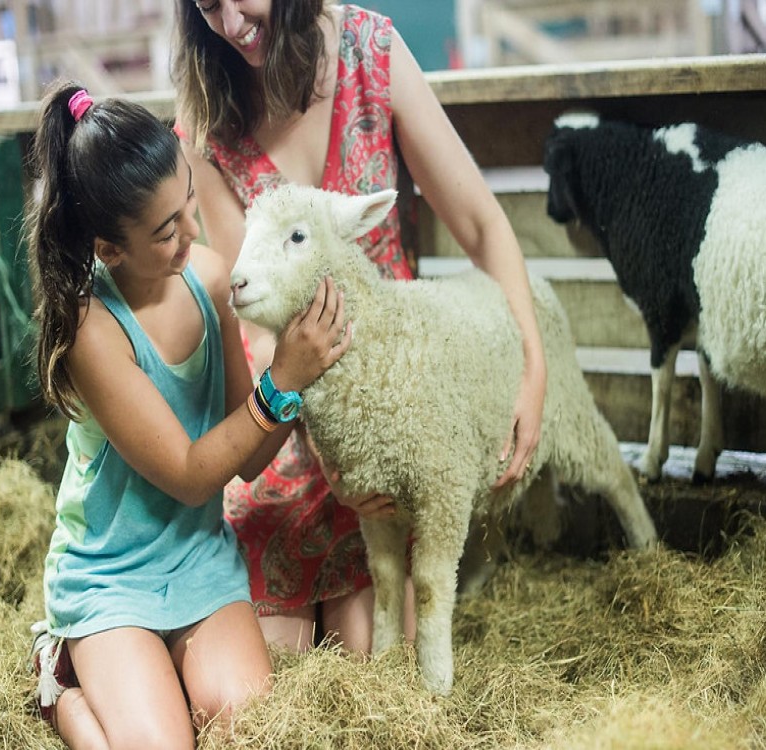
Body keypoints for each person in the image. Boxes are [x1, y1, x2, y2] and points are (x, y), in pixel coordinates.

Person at [172, 0, 548, 653]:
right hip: (292, 414)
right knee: (277, 661)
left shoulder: (370, 49)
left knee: (371, 651)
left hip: (397, 405)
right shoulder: (206, 115)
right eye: (207, 6)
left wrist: (533, 365)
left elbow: (482, 225)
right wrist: (329, 452)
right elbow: (257, 320)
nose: (230, 24)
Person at [26, 80, 352, 748]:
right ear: (108, 249)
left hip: (199, 561)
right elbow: (190, 473)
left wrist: (299, 381)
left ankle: (149, 683)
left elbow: (244, 450)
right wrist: (280, 380)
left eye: (190, 205)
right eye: (166, 229)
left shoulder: (206, 280)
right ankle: (60, 689)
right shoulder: (93, 330)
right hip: (110, 578)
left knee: (252, 730)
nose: (193, 234)